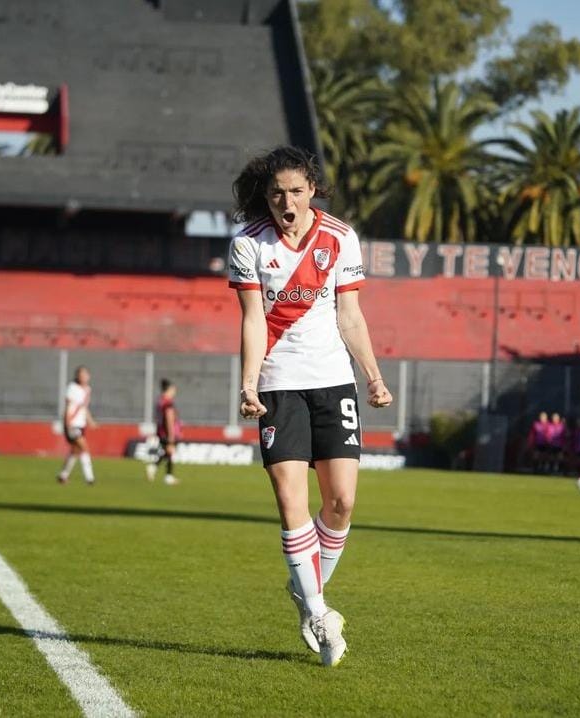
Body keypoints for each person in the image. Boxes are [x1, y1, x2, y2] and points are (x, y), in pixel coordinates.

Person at [228, 145, 392, 667]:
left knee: (341, 502)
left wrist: (373, 377)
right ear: (266, 196)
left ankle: (304, 589)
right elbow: (253, 320)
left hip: (333, 383)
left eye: (297, 190)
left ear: (312, 190)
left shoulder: (340, 238)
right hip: (278, 386)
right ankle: (319, 612)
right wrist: (249, 384)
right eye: (277, 192)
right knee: (290, 499)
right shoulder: (248, 245)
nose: (287, 201)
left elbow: (351, 316)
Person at [56, 365, 97, 485]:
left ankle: (62, 476)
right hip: (72, 424)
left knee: (75, 451)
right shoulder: (72, 388)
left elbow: (84, 408)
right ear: (77, 376)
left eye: (85, 374)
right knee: (84, 447)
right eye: (81, 375)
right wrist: (67, 423)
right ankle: (90, 478)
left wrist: (90, 421)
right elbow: (69, 406)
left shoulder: (88, 389)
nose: (83, 377)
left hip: (81, 424)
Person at [145, 378, 181, 486]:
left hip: (160, 431)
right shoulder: (168, 403)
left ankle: (164, 474)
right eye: (173, 389)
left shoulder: (160, 401)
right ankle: (162, 472)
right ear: (169, 389)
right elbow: (169, 419)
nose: (175, 391)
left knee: (168, 453)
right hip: (167, 432)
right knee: (169, 451)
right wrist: (171, 435)